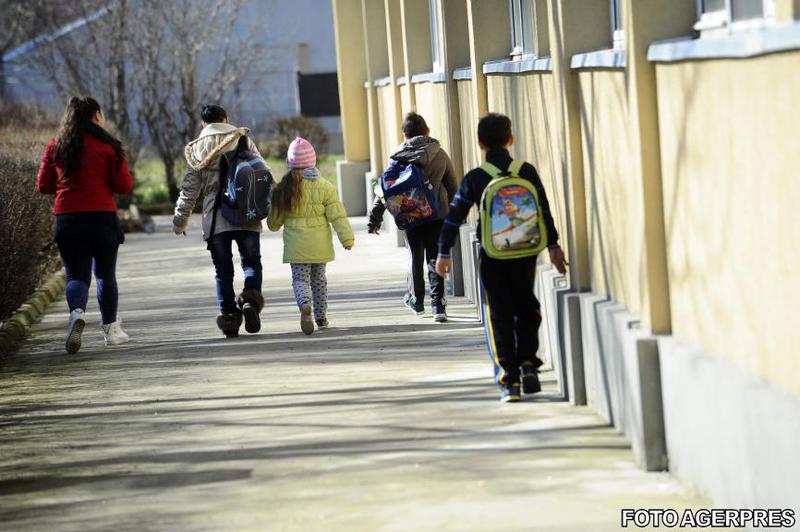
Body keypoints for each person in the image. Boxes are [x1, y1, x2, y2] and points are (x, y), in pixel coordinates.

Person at [435, 113, 567, 403]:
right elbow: (544, 210)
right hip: (525, 253)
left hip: (493, 257)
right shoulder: (526, 171)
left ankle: (510, 381)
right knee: (527, 307)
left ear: (480, 143)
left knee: (499, 315)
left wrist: (444, 253)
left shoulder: (476, 178)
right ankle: (529, 362)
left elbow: (453, 217)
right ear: (511, 139)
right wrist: (553, 246)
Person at [37, 96, 133, 353]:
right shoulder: (109, 146)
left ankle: (77, 313)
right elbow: (123, 185)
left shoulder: (56, 145)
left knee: (76, 275)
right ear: (97, 115)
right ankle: (111, 330)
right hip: (102, 217)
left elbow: (43, 185)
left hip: (68, 218)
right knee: (105, 274)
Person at [173, 104, 266, 338]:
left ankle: (230, 318)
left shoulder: (196, 149)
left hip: (215, 218)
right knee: (251, 264)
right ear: (226, 119)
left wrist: (180, 220)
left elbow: (189, 190)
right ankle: (250, 301)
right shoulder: (242, 138)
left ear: (204, 124)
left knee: (223, 273)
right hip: (246, 213)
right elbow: (261, 173)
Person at [367, 112, 457, 322]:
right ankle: (438, 306)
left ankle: (417, 301)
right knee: (434, 258)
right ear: (427, 131)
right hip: (437, 216)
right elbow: (453, 186)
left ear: (405, 135)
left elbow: (384, 189)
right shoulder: (440, 154)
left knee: (415, 258)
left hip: (411, 216)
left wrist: (374, 219)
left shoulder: (399, 156)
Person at [268, 137, 354, 335]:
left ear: (290, 163)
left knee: (300, 280)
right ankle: (321, 317)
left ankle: (304, 303)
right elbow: (338, 216)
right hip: (319, 245)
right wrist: (347, 239)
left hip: (296, 246)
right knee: (319, 280)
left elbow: (274, 224)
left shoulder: (283, 189)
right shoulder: (325, 186)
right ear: (313, 161)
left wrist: (271, 213)